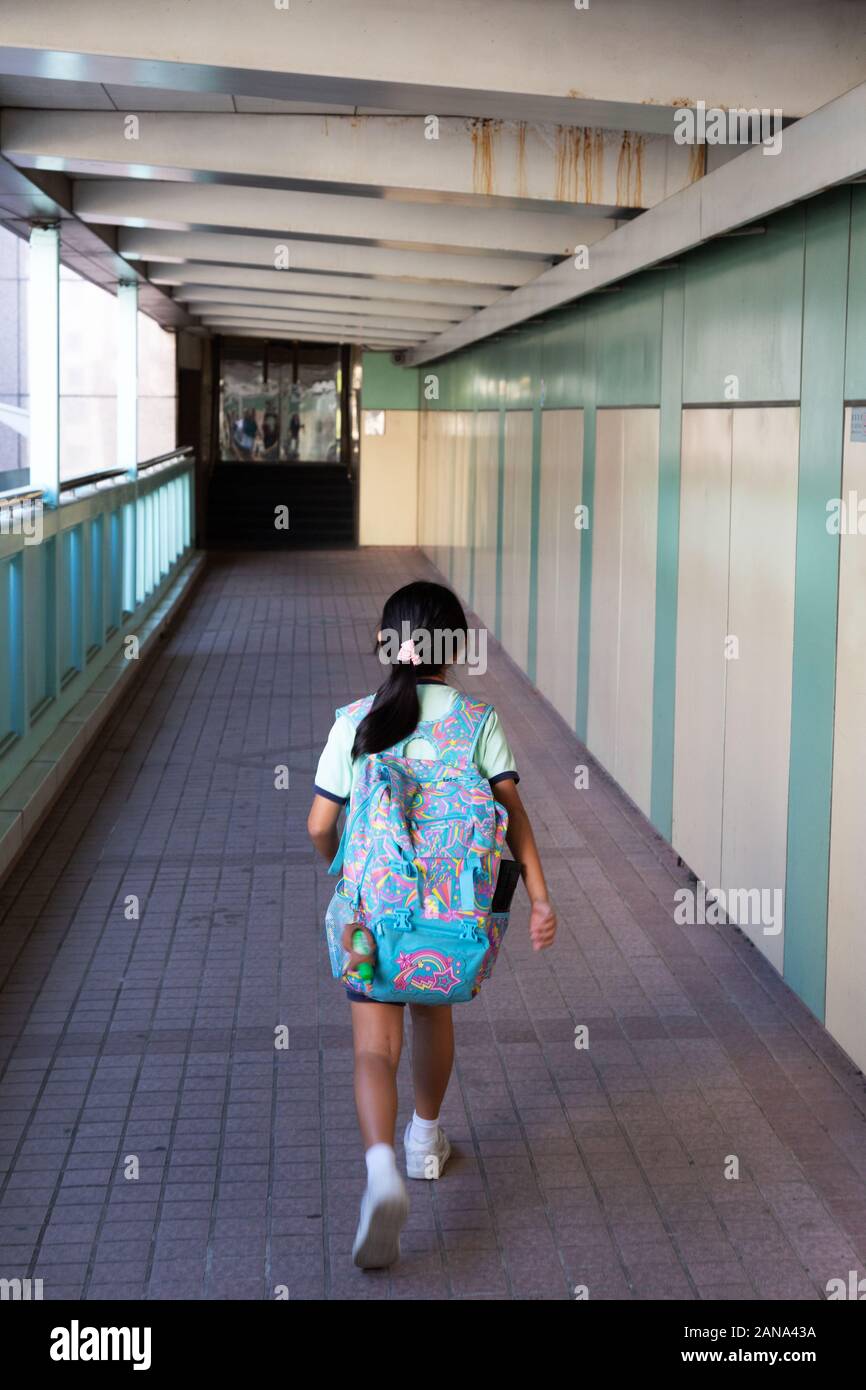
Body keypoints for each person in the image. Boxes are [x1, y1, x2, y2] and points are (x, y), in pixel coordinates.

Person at [307, 581, 557, 1269]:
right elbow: (516, 821)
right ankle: (425, 1139)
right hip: (448, 925)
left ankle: (381, 1170)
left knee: (370, 1048)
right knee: (431, 1016)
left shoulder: (356, 721)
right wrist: (539, 897)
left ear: (388, 643)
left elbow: (319, 826)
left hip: (367, 918)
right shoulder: (478, 721)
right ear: (456, 648)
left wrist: (347, 870)